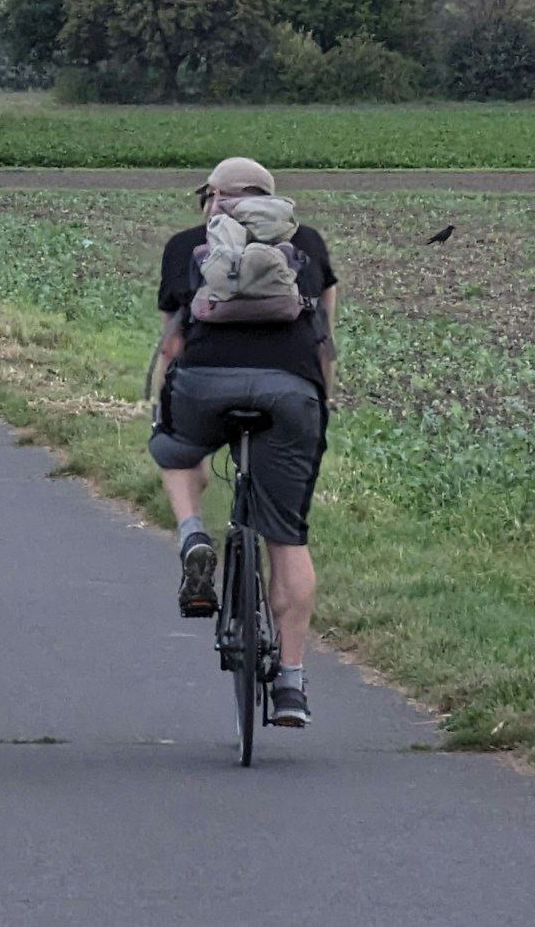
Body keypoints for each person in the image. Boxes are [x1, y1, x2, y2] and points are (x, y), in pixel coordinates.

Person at [149, 157, 337, 727]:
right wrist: (319, 401)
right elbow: (325, 339)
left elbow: (171, 342)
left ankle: (191, 537)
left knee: (177, 451)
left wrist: (161, 404)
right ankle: (292, 687)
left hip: (205, 384)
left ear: (212, 197)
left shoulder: (187, 244)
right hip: (290, 392)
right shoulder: (308, 243)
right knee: (287, 540)